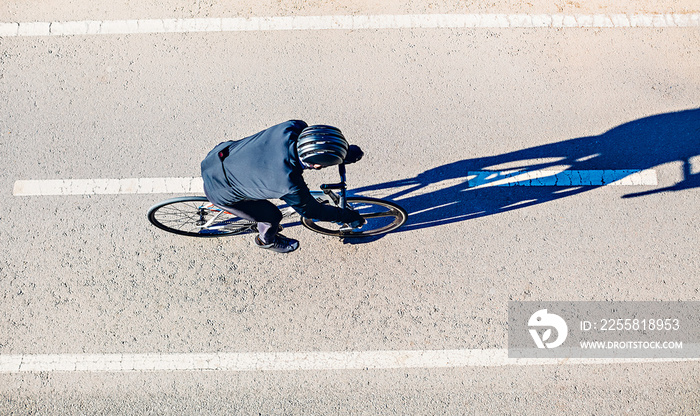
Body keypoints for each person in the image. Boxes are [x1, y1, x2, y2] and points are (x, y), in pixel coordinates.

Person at [200, 120, 365, 253]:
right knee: (272, 216)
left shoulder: (292, 127)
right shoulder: (288, 183)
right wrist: (348, 216)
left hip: (219, 156)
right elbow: (314, 211)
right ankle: (266, 241)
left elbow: (316, 144)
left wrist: (343, 153)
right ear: (316, 166)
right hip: (219, 190)